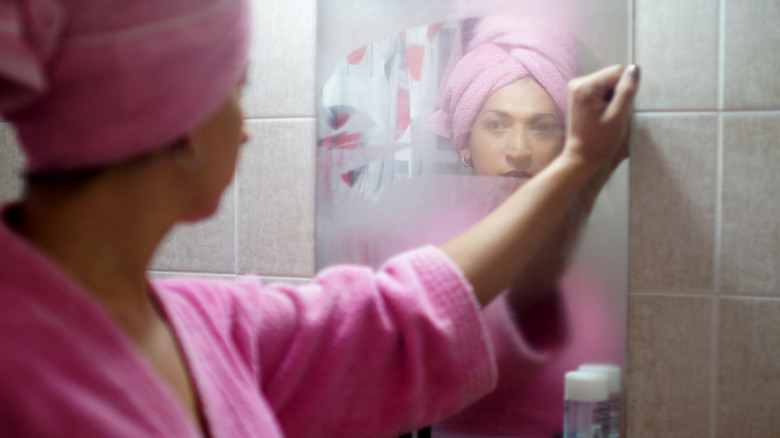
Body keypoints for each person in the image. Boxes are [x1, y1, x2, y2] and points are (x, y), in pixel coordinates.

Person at [0, 2, 639, 438]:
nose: (246, 131)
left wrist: (579, 160)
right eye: (236, 91)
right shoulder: (21, 366)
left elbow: (398, 318)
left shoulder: (207, 326)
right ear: (183, 125)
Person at [427, 16, 628, 437]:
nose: (518, 150)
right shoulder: (440, 240)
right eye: (497, 124)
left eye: (541, 126)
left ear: (561, 141)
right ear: (464, 141)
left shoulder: (594, 244)